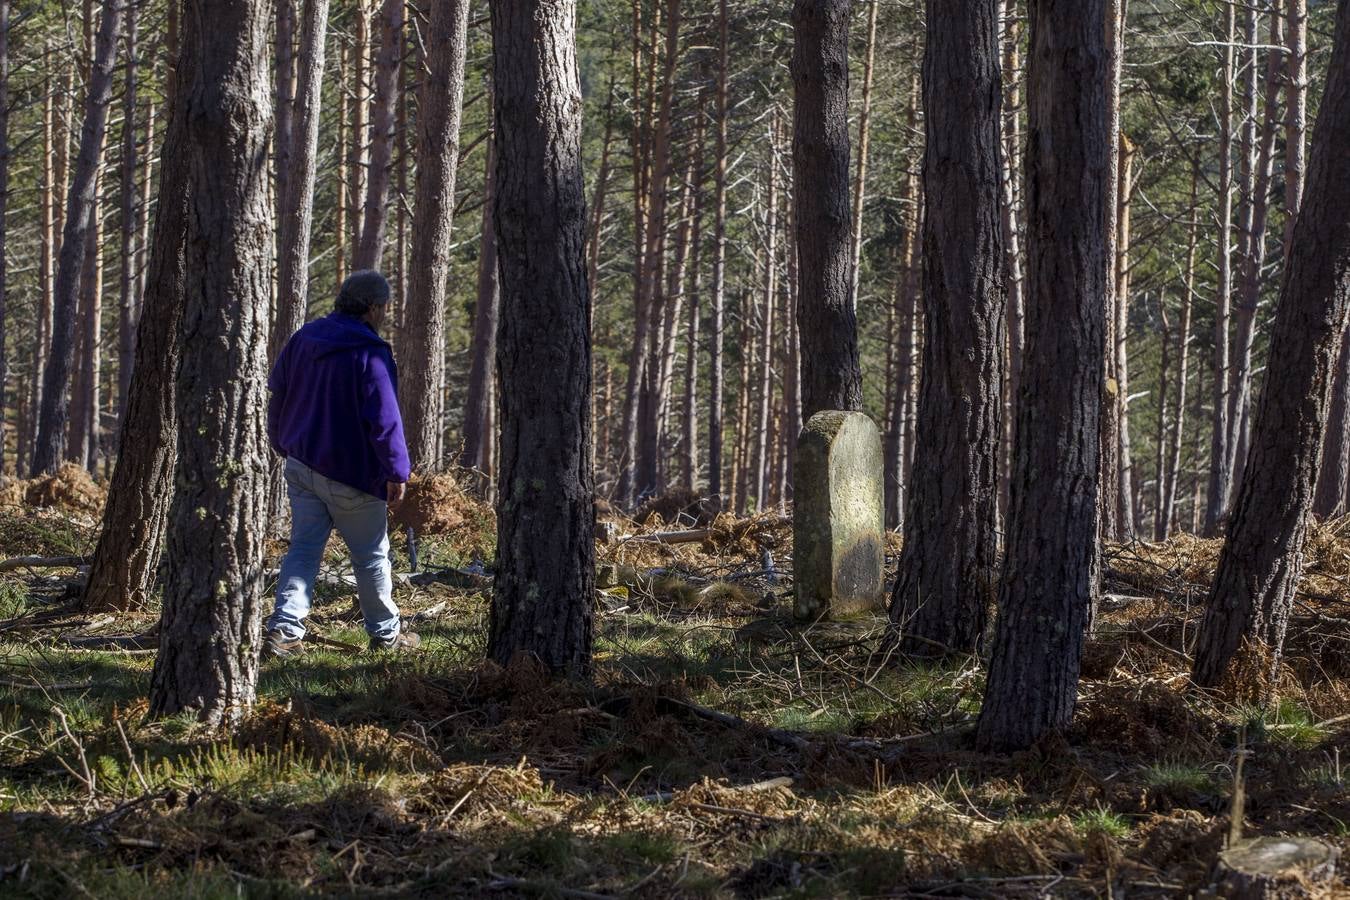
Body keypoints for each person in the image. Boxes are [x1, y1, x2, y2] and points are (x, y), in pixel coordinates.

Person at [264, 270, 420, 657]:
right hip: (352, 474)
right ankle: (386, 637)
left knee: (303, 549)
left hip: (302, 464)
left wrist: (281, 441)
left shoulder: (304, 338)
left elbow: (278, 395)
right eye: (383, 307)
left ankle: (284, 632)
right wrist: (397, 471)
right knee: (370, 556)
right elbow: (384, 419)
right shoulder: (370, 352)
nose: (383, 313)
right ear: (372, 308)